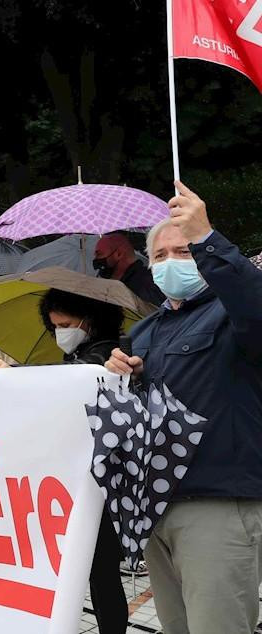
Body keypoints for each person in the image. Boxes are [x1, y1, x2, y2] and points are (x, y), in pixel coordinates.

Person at [105, 182, 262, 634]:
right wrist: (126, 375)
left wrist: (208, 238)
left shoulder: (233, 313)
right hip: (157, 508)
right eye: (160, 256)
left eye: (183, 250)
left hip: (216, 504)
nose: (171, 262)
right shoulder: (146, 331)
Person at [0, 288, 129, 634]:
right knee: (95, 572)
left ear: (90, 320)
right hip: (80, 480)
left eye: (67, 323)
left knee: (101, 573)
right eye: (55, 324)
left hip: (100, 486)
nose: (61, 332)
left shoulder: (109, 357)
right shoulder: (78, 355)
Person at [94, 233, 165, 306]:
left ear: (119, 254)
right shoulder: (114, 284)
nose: (96, 259)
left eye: (99, 254)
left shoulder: (145, 284)